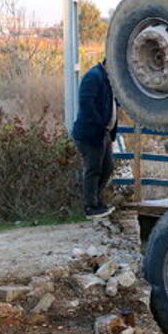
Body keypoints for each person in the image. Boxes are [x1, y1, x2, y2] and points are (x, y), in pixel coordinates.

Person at [72, 60, 118, 219]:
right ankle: (90, 206)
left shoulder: (108, 80)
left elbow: (113, 103)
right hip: (91, 133)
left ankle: (96, 201)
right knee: (93, 169)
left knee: (107, 167)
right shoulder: (94, 76)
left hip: (102, 132)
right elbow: (86, 103)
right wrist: (99, 124)